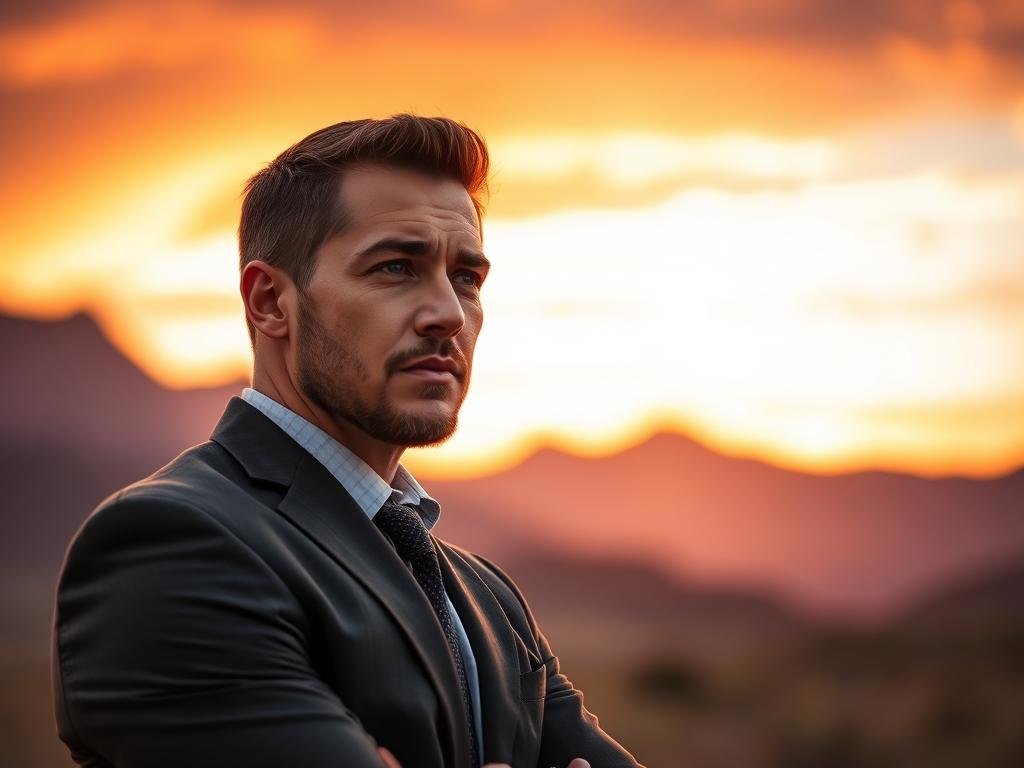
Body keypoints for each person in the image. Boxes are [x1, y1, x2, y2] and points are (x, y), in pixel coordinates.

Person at [52, 115, 643, 768]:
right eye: (396, 267)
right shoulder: (170, 543)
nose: (448, 312)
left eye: (467, 278)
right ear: (270, 302)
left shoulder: (488, 597)